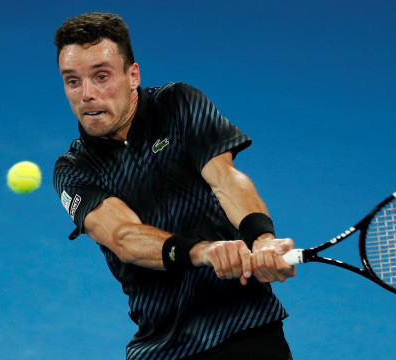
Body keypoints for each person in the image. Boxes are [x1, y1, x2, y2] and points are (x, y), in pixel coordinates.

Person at [52, 12, 296, 360]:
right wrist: (206, 252)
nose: (87, 94)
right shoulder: (73, 169)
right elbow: (124, 238)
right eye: (72, 81)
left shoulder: (177, 104)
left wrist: (262, 238)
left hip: (246, 325)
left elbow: (226, 179)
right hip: (161, 348)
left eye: (101, 76)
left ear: (132, 75)